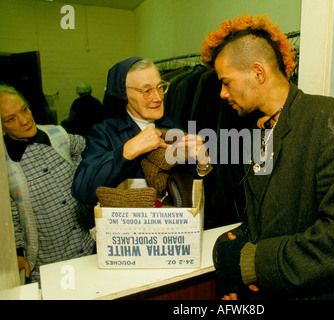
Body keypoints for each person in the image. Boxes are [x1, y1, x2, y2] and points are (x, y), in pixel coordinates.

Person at [201, 14, 334, 300]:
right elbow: (264, 218)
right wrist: (232, 245)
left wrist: (252, 263)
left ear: (258, 73)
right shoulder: (257, 131)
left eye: (226, 82)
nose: (222, 93)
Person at [72, 57, 211, 206]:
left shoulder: (173, 127)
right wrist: (128, 150)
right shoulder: (104, 133)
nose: (158, 97)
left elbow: (193, 186)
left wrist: (203, 164)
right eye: (147, 91)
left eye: (160, 87)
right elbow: (83, 192)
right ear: (124, 94)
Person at [0, 83, 95, 284]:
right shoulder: (6, 166)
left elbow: (86, 147)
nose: (25, 120)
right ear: (1, 129)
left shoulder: (57, 135)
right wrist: (16, 253)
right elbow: (10, 216)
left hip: (88, 248)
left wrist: (81, 173)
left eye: (24, 109)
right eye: (11, 119)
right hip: (52, 262)